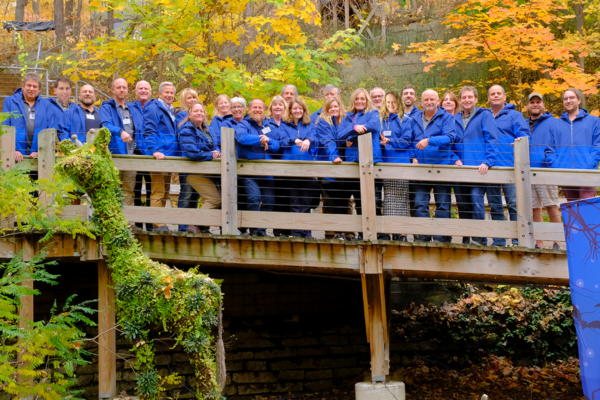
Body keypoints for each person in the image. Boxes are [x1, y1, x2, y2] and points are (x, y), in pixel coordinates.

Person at [452, 86, 504, 247]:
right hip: (461, 170)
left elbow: (492, 139)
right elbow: (450, 143)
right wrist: (454, 158)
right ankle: (468, 237)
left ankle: (481, 238)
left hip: (478, 170)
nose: (467, 100)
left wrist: (488, 161)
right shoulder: (455, 119)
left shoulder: (485, 116)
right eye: (464, 97)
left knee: (477, 202)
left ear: (475, 99)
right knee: (463, 205)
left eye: (470, 97)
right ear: (460, 100)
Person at [409, 90, 456, 243]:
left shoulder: (447, 117)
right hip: (420, 168)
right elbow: (409, 141)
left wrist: (430, 140)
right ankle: (423, 235)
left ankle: (440, 236)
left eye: (432, 99)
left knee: (442, 203)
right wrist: (412, 156)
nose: (429, 102)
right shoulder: (414, 118)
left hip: (440, 166)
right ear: (421, 102)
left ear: (437, 101)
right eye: (426, 99)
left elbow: (450, 137)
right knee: (420, 203)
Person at [488, 84, 530, 246]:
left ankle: (517, 239)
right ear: (489, 98)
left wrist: (520, 140)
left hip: (511, 167)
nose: (496, 96)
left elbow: (525, 135)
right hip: (490, 167)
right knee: (494, 205)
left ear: (504, 97)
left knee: (513, 203)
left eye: (499, 93)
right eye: (493, 94)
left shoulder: (514, 115)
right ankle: (499, 239)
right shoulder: (485, 116)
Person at [99, 77, 145, 225]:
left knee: (129, 191)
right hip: (115, 156)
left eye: (124, 87)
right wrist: (120, 131)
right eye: (118, 87)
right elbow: (105, 125)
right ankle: (114, 223)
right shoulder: (107, 107)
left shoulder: (132, 108)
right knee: (114, 191)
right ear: (112, 89)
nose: (122, 90)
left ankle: (129, 223)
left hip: (131, 156)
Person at [337, 88, 381, 240]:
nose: (360, 101)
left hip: (370, 163)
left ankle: (371, 234)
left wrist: (351, 136)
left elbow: (373, 127)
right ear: (353, 101)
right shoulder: (347, 117)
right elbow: (339, 135)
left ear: (367, 100)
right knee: (356, 199)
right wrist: (354, 128)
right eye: (357, 99)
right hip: (353, 164)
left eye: (362, 99)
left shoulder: (373, 114)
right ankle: (358, 233)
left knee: (370, 200)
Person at [234, 99, 281, 236]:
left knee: (269, 201)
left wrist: (269, 141)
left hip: (268, 171)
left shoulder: (270, 125)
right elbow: (241, 137)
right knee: (253, 199)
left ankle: (262, 230)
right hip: (250, 170)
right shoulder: (244, 123)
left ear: (264, 109)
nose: (257, 110)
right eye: (254, 107)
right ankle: (254, 230)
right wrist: (260, 139)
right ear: (249, 109)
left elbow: (278, 145)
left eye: (260, 107)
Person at [546, 88, 600, 201]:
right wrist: (557, 166)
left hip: (586, 173)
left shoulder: (594, 121)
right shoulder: (555, 124)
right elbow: (549, 149)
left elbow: (598, 145)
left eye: (571, 97)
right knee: (572, 211)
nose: (568, 101)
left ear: (579, 100)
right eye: (565, 98)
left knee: (586, 208)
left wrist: (589, 164)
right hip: (565, 173)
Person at [178, 102, 222, 234]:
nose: (199, 113)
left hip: (208, 171)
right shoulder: (186, 130)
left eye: (201, 111)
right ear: (189, 114)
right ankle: (192, 224)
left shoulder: (207, 128)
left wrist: (217, 151)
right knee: (214, 200)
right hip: (195, 172)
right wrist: (210, 155)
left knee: (216, 199)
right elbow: (192, 153)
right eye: (196, 111)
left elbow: (217, 144)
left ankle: (202, 227)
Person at [526, 92, 561, 250]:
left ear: (543, 105)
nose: (535, 104)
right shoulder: (523, 124)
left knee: (551, 206)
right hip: (528, 170)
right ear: (527, 106)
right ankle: (539, 242)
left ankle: (557, 241)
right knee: (534, 208)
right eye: (532, 102)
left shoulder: (553, 122)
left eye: (538, 102)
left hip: (546, 170)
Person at [142, 81, 178, 232]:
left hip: (168, 156)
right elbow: (149, 130)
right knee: (158, 190)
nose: (169, 95)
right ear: (160, 93)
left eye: (171, 93)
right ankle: (157, 224)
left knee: (165, 191)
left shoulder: (170, 110)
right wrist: (154, 150)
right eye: (166, 92)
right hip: (159, 155)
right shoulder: (154, 107)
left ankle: (161, 222)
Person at [280, 96, 316, 238]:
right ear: (290, 110)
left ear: (304, 110)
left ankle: (306, 232)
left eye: (300, 108)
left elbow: (315, 137)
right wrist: (293, 140)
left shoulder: (310, 124)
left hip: (307, 167)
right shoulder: (284, 125)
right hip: (291, 167)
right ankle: (295, 232)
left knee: (306, 201)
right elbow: (282, 140)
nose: (297, 111)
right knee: (294, 201)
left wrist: (308, 140)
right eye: (295, 108)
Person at [2, 72, 59, 163]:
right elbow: (5, 126)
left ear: (39, 89)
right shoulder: (9, 102)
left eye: (35, 86)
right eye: (29, 85)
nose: (31, 89)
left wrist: (40, 151)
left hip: (39, 158)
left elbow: (50, 130)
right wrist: (13, 149)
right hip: (13, 155)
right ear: (23, 86)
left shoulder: (47, 106)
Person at [379, 91, 411, 241]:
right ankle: (388, 230)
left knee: (402, 198)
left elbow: (406, 141)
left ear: (399, 103)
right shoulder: (381, 121)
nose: (391, 105)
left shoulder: (405, 120)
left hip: (401, 164)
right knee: (389, 199)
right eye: (388, 102)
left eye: (394, 102)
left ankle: (402, 232)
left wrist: (390, 141)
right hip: (385, 164)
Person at [315, 97, 346, 240]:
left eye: (336, 106)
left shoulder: (345, 121)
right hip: (329, 166)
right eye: (330, 107)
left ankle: (342, 232)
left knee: (342, 201)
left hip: (344, 168)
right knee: (330, 201)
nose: (333, 109)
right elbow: (328, 141)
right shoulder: (323, 122)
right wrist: (334, 156)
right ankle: (330, 233)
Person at [174, 88, 201, 232]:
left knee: (195, 194)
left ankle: (192, 224)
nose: (192, 100)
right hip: (186, 159)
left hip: (197, 160)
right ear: (183, 100)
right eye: (189, 98)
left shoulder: (198, 115)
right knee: (186, 193)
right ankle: (183, 227)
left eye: (194, 97)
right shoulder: (181, 115)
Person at [266, 95, 290, 237]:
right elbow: (268, 144)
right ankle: (278, 230)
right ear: (271, 108)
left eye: (280, 104)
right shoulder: (266, 124)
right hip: (272, 164)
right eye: (275, 104)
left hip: (287, 164)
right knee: (276, 198)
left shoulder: (288, 123)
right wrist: (278, 144)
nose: (277, 107)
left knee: (287, 197)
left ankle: (288, 229)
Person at [132, 80, 153, 229]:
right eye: (141, 88)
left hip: (152, 152)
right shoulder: (130, 107)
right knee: (136, 188)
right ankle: (138, 223)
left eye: (146, 88)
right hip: (135, 152)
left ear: (150, 92)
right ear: (135, 91)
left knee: (152, 189)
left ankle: (151, 222)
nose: (143, 91)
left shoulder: (154, 107)